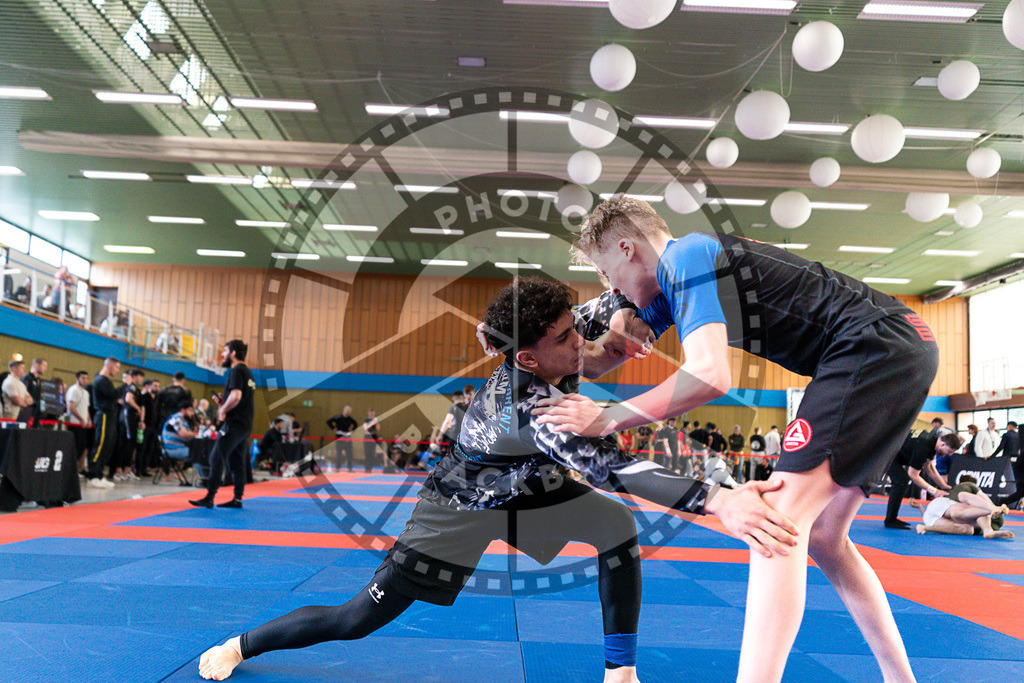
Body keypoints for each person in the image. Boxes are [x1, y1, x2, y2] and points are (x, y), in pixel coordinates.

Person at [197, 278, 796, 682]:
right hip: (459, 507)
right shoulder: (532, 410)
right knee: (355, 620)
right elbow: (613, 468)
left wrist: (665, 297)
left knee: (615, 526)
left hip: (525, 487)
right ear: (527, 358)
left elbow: (624, 298)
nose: (580, 341)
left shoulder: (551, 335)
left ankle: (620, 673)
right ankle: (241, 645)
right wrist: (717, 500)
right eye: (566, 340)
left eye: (575, 328)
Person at [534, 196, 943, 683]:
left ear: (627, 249)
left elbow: (709, 375)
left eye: (607, 274)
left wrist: (606, 419)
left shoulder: (686, 258)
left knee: (773, 522)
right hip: (899, 344)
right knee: (824, 537)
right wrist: (510, 335)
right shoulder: (677, 281)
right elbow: (598, 360)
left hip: (872, 346)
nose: (611, 288)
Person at [190, 340, 255, 509]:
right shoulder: (248, 373)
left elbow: (236, 396)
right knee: (236, 461)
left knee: (216, 456)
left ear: (233, 353)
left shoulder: (236, 371)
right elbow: (240, 399)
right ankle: (237, 498)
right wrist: (223, 402)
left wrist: (222, 410)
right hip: (244, 424)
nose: (222, 354)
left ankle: (210, 497)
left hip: (234, 424)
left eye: (225, 351)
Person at [883, 431, 959, 529]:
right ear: (943, 444)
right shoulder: (923, 446)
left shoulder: (933, 442)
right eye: (949, 451)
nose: (949, 454)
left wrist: (943, 486)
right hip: (885, 454)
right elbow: (913, 474)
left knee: (902, 480)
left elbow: (929, 468)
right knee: (902, 480)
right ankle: (890, 520)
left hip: (893, 454)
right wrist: (934, 491)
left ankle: (891, 519)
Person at [916, 476, 1014, 540]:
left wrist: (920, 508)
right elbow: (983, 496)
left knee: (968, 530)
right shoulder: (967, 486)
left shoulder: (962, 491)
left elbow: (928, 515)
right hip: (942, 507)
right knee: (959, 507)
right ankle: (991, 514)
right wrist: (993, 507)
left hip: (933, 515)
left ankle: (988, 530)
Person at [88, 357, 121, 489]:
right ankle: (93, 476)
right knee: (100, 446)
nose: (118, 371)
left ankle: (100, 475)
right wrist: (125, 385)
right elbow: (112, 395)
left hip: (110, 416)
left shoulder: (106, 381)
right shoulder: (101, 380)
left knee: (107, 447)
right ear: (109, 366)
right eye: (116, 367)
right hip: (103, 416)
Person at [65, 371, 93, 475]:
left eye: (86, 378)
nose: (85, 380)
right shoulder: (73, 390)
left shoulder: (86, 393)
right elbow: (71, 407)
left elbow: (86, 408)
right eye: (83, 378)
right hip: (74, 423)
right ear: (77, 379)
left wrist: (89, 419)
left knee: (81, 448)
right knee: (74, 449)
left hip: (83, 425)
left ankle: (76, 470)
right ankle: (69, 472)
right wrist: (81, 419)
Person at [326, 406, 358, 471]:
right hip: (339, 436)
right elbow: (328, 421)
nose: (348, 413)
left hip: (347, 436)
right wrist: (333, 428)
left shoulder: (350, 418)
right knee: (339, 452)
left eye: (349, 412)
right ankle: (337, 468)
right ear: (344, 410)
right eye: (347, 411)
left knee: (349, 452)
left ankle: (349, 468)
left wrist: (352, 430)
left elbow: (356, 424)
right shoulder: (338, 417)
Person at [22, 357, 47, 427]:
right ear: (36, 365)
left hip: (37, 412)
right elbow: (24, 394)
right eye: (44, 366)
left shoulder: (40, 381)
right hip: (27, 411)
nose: (46, 369)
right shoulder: (27, 378)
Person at [362, 408, 381, 472]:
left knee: (372, 453)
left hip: (374, 436)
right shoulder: (366, 420)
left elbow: (378, 429)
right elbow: (365, 428)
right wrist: (372, 423)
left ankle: (370, 468)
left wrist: (376, 423)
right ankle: (366, 468)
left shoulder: (376, 420)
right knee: (367, 453)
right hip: (367, 436)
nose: (371, 414)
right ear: (368, 413)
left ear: (374, 413)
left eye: (373, 412)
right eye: (370, 412)